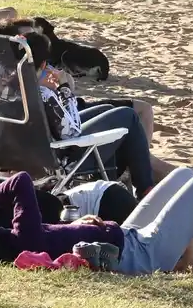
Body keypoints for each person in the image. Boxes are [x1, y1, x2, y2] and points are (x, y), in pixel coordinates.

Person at [0, 168, 193, 275]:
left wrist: (76, 227)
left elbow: (53, 241)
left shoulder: (17, 243)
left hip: (126, 235)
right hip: (141, 253)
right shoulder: (21, 236)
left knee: (183, 175)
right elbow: (21, 181)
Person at [26, 32, 155, 199]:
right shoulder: (43, 94)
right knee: (128, 116)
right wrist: (64, 88)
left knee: (107, 109)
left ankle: (109, 188)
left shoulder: (0, 89)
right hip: (59, 160)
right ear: (44, 64)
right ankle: (144, 189)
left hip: (24, 154)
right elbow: (72, 131)